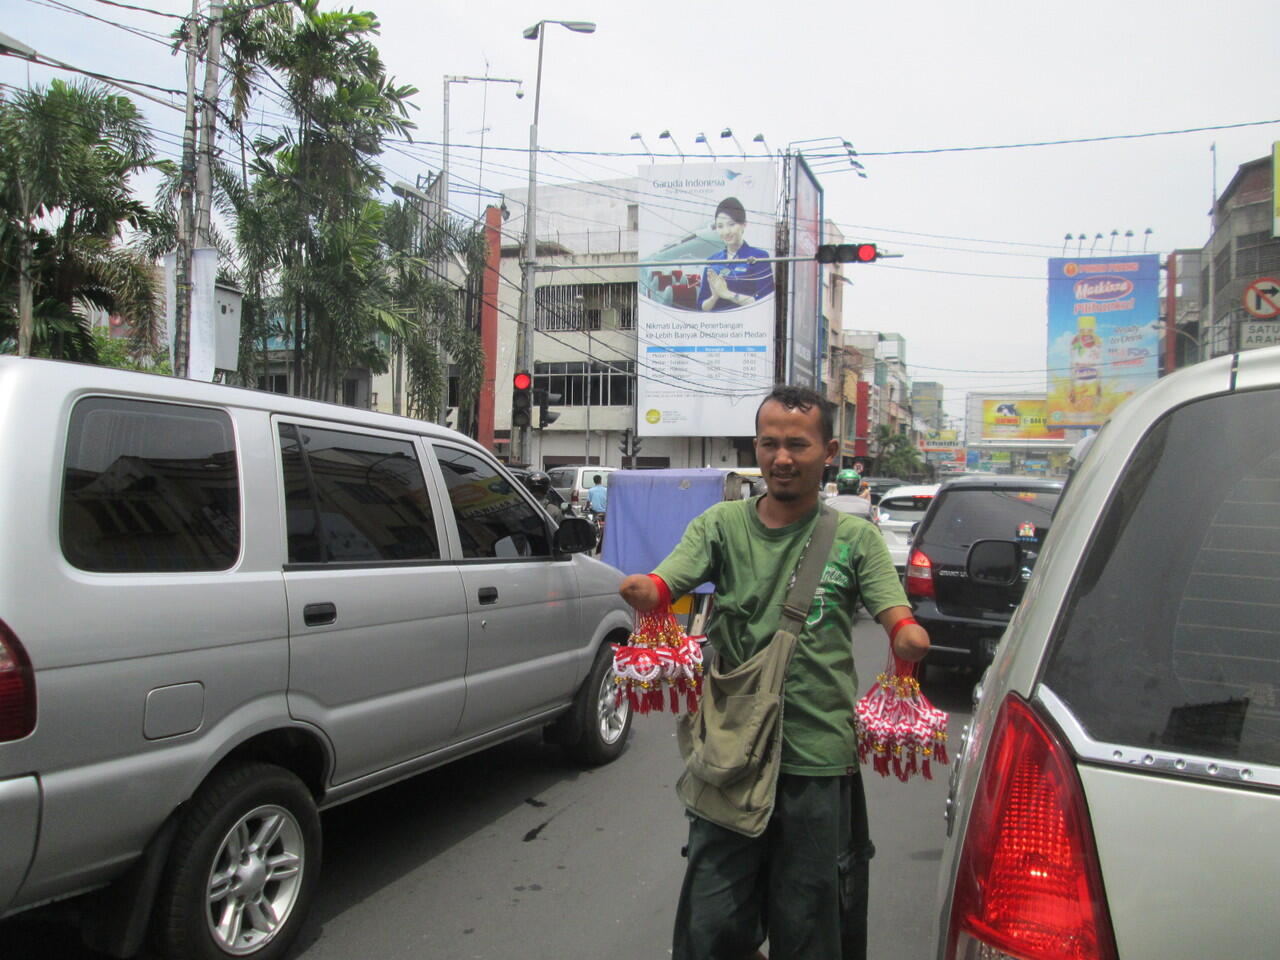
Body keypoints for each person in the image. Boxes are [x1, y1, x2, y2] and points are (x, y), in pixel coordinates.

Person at [619, 385, 930, 960]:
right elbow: (671, 578)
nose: (781, 457)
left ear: (828, 451)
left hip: (817, 759)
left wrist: (905, 637)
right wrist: (651, 590)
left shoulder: (856, 538)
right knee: (711, 921)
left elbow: (897, 615)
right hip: (732, 756)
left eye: (797, 444)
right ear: (756, 447)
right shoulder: (720, 526)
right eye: (769, 444)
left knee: (810, 922)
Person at [697, 196, 775, 312]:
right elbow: (700, 306)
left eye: (731, 224)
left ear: (744, 224)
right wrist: (714, 297)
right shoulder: (712, 261)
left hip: (746, 326)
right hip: (716, 326)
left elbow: (766, 302)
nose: (726, 232)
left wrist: (728, 294)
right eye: (720, 226)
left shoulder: (759, 256)